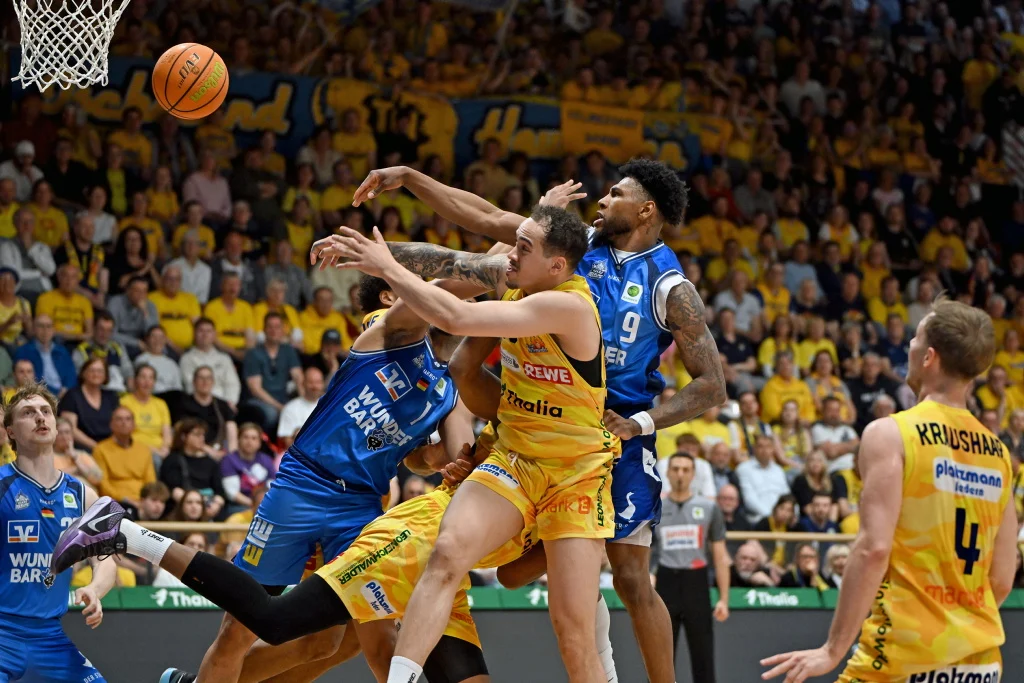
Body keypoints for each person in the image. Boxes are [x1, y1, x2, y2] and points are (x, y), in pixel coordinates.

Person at [342, 160, 726, 683]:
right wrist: (410, 182)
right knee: (463, 373)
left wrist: (642, 423)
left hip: (609, 430)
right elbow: (484, 221)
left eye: (614, 193)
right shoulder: (577, 244)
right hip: (541, 413)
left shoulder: (670, 286)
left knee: (630, 576)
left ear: (646, 209)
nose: (602, 199)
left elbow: (712, 385)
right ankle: (491, 451)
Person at [48, 429, 621, 683]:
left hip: (452, 578)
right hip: (413, 539)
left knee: (330, 646)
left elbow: (514, 575)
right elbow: (458, 427)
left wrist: (565, 548)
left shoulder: (582, 504)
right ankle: (128, 533)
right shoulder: (532, 432)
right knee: (278, 624)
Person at [317, 205, 621, 683]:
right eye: (515, 243)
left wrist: (388, 268)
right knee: (448, 552)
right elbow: (446, 260)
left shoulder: (569, 306)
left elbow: (455, 316)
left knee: (572, 632)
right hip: (516, 458)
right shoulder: (519, 277)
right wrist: (369, 251)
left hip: (575, 473)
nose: (511, 255)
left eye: (525, 247)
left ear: (557, 267)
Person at [154, 239, 474, 683]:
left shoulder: (449, 390)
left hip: (361, 507)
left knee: (350, 639)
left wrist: (446, 460)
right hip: (304, 485)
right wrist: (512, 257)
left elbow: (440, 461)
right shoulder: (385, 328)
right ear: (391, 293)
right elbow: (462, 279)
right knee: (239, 630)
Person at [763, 298, 1018, 682]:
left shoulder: (891, 433)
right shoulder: (999, 454)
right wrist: (958, 627)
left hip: (901, 655)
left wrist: (833, 650)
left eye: (914, 339)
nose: (908, 348)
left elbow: (873, 548)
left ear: (929, 357)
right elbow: (1002, 576)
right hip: (979, 662)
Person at [0, 384, 114, 683]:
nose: (40, 417)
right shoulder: (2, 487)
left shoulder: (82, 494)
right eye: (28, 412)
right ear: (10, 431)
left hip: (50, 638)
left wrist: (95, 589)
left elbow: (106, 560)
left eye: (46, 411)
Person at [651, 452, 729, 683]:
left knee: (703, 654)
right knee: (659, 655)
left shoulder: (708, 508)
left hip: (697, 582)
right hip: (665, 581)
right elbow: (643, 551)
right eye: (675, 469)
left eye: (686, 470)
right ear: (667, 473)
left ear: (694, 474)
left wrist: (724, 598)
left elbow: (720, 555)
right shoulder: (656, 509)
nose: (680, 474)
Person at [240, 312, 303, 432]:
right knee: (272, 415)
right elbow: (256, 390)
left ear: (283, 330)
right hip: (258, 401)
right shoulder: (253, 353)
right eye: (270, 327)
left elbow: (298, 378)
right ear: (264, 330)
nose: (274, 330)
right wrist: (280, 407)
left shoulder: (288, 350)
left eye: (277, 327)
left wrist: (304, 402)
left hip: (283, 398)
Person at [159, 418, 226, 519]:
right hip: (182, 509)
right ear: (184, 437)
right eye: (196, 435)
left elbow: (220, 491)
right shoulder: (173, 460)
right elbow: (174, 490)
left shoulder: (210, 462)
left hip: (209, 507)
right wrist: (197, 506)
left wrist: (216, 505)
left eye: (203, 435)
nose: (201, 438)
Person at [90, 405, 155, 507]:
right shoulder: (101, 449)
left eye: (128, 419)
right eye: (119, 419)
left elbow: (151, 481)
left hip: (143, 503)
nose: (124, 423)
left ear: (134, 424)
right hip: (115, 502)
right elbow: (103, 484)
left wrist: (146, 501)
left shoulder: (144, 449)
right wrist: (124, 500)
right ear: (111, 424)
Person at [57, 357, 120, 451]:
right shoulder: (72, 396)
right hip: (83, 447)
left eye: (100, 371)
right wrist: (98, 448)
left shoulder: (111, 397)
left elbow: (118, 425)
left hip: (110, 447)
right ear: (83, 373)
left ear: (105, 375)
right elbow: (71, 430)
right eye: (92, 370)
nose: (96, 374)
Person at [179, 318, 242, 406]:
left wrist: (229, 404)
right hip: (197, 405)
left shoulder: (224, 358)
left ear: (214, 335)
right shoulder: (186, 358)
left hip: (224, 404)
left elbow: (232, 384)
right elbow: (190, 386)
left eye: (208, 331)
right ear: (194, 334)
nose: (205, 335)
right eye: (201, 331)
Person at [14, 314, 76, 396]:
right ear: (34, 329)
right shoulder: (24, 351)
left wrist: (66, 390)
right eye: (41, 326)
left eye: (49, 326)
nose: (45, 330)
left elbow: (71, 375)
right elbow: (28, 378)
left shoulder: (62, 350)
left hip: (66, 396)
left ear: (54, 330)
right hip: (39, 395)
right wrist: (55, 393)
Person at [71, 310, 133, 393]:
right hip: (94, 395)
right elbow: (81, 378)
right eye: (101, 329)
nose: (104, 334)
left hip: (119, 395)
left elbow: (128, 373)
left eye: (109, 330)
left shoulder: (118, 348)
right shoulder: (82, 350)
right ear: (94, 328)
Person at [120, 364, 172, 459]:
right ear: (136, 380)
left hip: (161, 450)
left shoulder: (161, 404)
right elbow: (125, 435)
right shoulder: (125, 402)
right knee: (155, 460)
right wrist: (153, 450)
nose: (147, 382)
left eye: (151, 378)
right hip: (135, 448)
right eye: (143, 377)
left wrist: (165, 448)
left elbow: (167, 433)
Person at [736, 433, 791, 524]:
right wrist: (771, 516)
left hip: (782, 519)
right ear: (754, 449)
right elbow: (749, 499)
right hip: (758, 520)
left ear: (773, 449)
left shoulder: (778, 470)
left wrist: (791, 513)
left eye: (768, 447)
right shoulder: (743, 469)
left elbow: (787, 496)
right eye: (760, 446)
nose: (764, 450)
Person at [220, 422, 276, 511]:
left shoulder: (266, 460)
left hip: (264, 504)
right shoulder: (229, 460)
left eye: (254, 438)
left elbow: (273, 487)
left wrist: (261, 504)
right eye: (245, 437)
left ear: (259, 443)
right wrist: (254, 505)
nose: (249, 441)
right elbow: (232, 493)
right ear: (239, 439)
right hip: (239, 506)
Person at [277, 366, 324, 446]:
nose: (314, 386)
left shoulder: (329, 406)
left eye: (318, 382)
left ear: (323, 384)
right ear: (303, 383)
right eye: (311, 382)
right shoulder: (290, 408)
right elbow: (286, 441)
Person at [52, 416, 103, 487]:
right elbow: (50, 478)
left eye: (67, 432)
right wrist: (76, 470)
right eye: (60, 433)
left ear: (72, 435)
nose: (64, 436)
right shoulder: (48, 457)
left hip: (89, 496)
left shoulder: (82, 455)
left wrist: (76, 459)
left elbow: (97, 479)